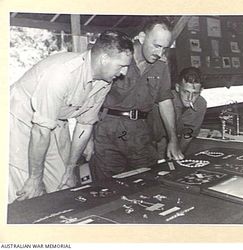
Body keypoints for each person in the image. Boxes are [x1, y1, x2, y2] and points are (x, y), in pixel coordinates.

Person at [9, 31, 133, 203]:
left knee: (64, 182)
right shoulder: (62, 74)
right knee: (26, 189)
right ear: (104, 59)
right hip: (19, 120)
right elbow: (40, 131)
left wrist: (70, 168)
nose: (124, 73)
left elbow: (84, 125)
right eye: (121, 66)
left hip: (52, 121)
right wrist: (35, 178)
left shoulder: (105, 81)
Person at [90, 18, 184, 183]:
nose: (160, 53)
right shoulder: (118, 58)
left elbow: (165, 101)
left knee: (147, 184)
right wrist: (88, 140)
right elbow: (92, 98)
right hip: (109, 132)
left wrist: (173, 139)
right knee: (109, 188)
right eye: (156, 45)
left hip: (141, 134)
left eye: (164, 48)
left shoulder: (161, 66)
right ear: (141, 38)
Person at [150, 67, 207, 160]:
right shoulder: (164, 102)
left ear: (201, 91)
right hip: (152, 145)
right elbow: (157, 138)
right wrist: (161, 160)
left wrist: (177, 155)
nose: (190, 98)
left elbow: (188, 134)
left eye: (195, 93)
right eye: (186, 92)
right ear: (177, 88)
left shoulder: (201, 104)